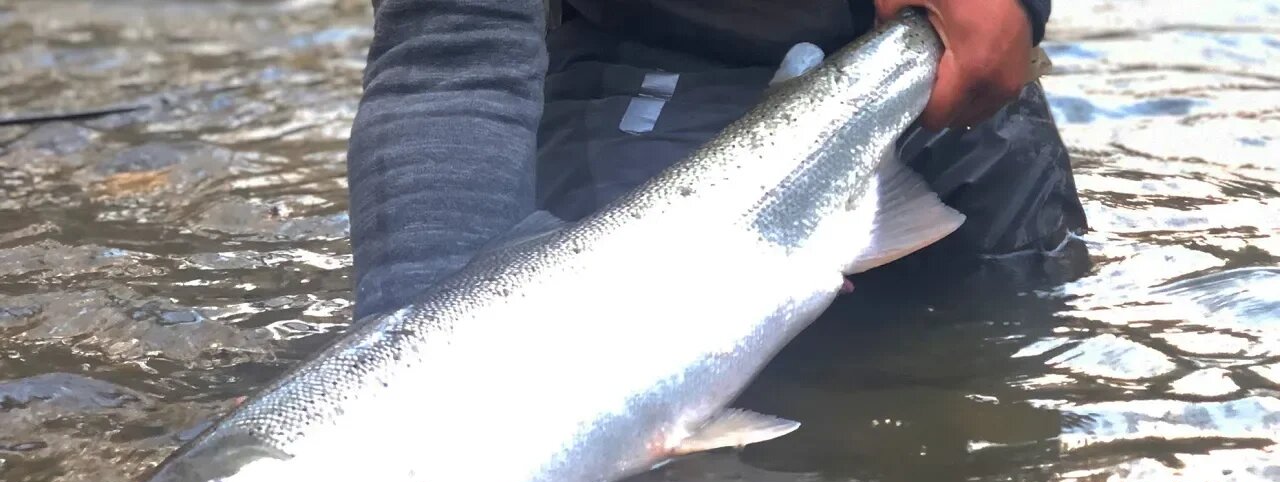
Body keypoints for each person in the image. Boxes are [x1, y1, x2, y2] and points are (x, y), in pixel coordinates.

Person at [345, 0, 1089, 321]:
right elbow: (454, 58)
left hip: (917, 64)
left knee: (1024, 317)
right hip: (655, 59)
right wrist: (405, 332)